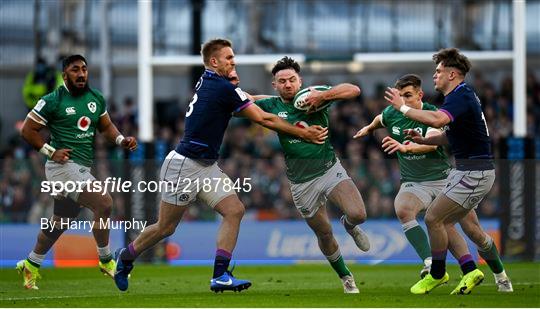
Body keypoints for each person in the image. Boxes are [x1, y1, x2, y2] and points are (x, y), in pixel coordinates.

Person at [113, 39, 329, 293]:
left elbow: (239, 103)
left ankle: (220, 275)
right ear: (214, 62)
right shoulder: (222, 87)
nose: (233, 63)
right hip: (184, 165)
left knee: (234, 210)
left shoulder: (213, 82)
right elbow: (264, 119)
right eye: (229, 59)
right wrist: (304, 134)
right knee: (166, 227)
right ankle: (125, 257)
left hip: (206, 166)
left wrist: (237, 84)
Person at [355, 74, 512, 292]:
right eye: (400, 96)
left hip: (444, 180)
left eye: (408, 96)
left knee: (473, 232)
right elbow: (380, 119)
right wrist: (368, 128)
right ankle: (432, 264)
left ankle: (500, 275)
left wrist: (406, 147)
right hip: (414, 182)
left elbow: (431, 144)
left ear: (419, 94)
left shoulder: (430, 113)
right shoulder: (392, 112)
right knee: (404, 209)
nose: (403, 100)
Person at [383, 48, 501, 295]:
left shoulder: (460, 96)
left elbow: (437, 121)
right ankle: (471, 271)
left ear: (453, 74)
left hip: (474, 173)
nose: (434, 75)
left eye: (438, 71)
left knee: (439, 220)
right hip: (464, 172)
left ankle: (438, 273)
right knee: (444, 221)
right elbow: (450, 137)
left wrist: (402, 108)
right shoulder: (459, 97)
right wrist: (423, 141)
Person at [17, 54, 138, 290]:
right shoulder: (52, 100)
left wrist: (122, 139)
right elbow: (27, 129)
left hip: (80, 167)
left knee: (59, 222)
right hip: (62, 168)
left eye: (84, 69)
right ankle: (106, 260)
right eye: (75, 70)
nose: (81, 74)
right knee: (104, 203)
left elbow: (106, 126)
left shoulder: (95, 98)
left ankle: (31, 264)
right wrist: (50, 151)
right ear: (64, 75)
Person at [252, 56, 369, 293]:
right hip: (300, 183)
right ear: (274, 85)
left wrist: (324, 96)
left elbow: (354, 90)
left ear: (300, 80)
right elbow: (243, 103)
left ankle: (349, 223)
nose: (287, 84)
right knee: (324, 232)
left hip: (328, 169)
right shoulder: (271, 105)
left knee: (359, 214)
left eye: (292, 79)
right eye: (282, 81)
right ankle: (345, 276)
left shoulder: (313, 95)